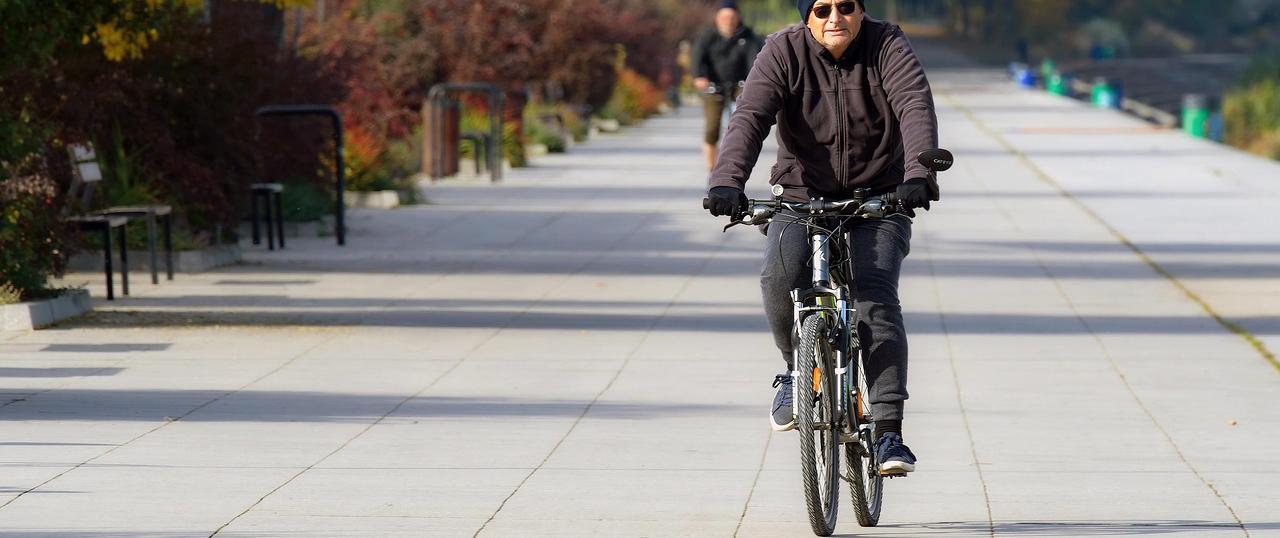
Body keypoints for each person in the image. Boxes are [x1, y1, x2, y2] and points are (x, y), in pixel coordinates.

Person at [703, 0, 938, 475]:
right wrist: (726, 182)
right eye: (822, 8)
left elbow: (914, 105)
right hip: (800, 195)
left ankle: (888, 432)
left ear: (861, 11)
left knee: (875, 298)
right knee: (779, 276)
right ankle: (796, 371)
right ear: (806, 15)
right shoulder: (782, 50)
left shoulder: (887, 44)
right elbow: (750, 117)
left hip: (879, 197)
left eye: (846, 6)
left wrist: (919, 174)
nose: (835, 18)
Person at [690, 0, 763, 170]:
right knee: (712, 129)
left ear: (738, 18)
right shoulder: (707, 36)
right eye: (724, 17)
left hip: (740, 84)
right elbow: (697, 57)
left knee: (741, 125)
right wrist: (699, 77)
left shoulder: (748, 37)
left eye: (732, 17)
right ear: (717, 18)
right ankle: (711, 170)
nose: (728, 21)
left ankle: (735, 167)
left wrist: (753, 82)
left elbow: (755, 61)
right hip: (714, 84)